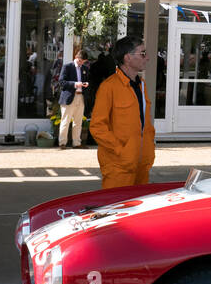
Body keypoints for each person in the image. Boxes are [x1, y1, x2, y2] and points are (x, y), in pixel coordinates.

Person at [89, 36, 155, 189]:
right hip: (118, 166)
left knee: (139, 204)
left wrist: (149, 147)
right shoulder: (109, 87)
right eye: (143, 53)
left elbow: (144, 122)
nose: (147, 58)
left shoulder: (141, 85)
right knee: (117, 204)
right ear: (127, 58)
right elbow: (97, 127)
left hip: (142, 164)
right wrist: (121, 150)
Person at [57, 49, 90, 148]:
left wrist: (86, 84)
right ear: (76, 57)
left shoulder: (85, 68)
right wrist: (75, 84)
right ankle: (62, 143)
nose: (81, 63)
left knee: (78, 121)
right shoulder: (67, 67)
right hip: (69, 97)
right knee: (65, 121)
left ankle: (77, 143)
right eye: (80, 61)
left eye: (83, 62)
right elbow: (61, 82)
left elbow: (87, 80)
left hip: (81, 96)